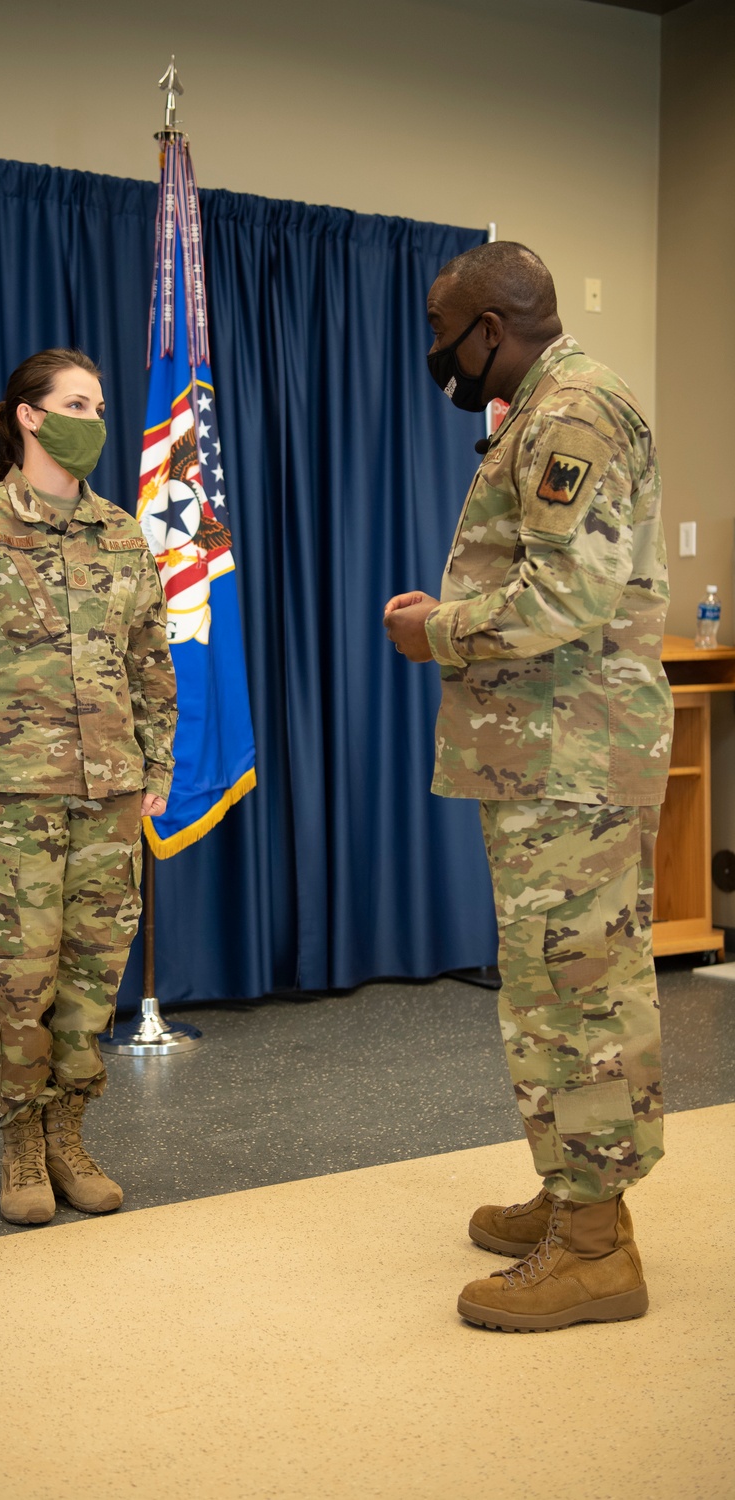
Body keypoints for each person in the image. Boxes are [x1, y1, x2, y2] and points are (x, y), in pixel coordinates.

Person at [385, 242, 672, 1331]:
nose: (439, 353)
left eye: (444, 330)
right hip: (548, 753)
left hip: (572, 757)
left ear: (490, 332)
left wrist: (431, 633)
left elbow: (566, 599)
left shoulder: (573, 413)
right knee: (554, 989)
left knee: (579, 995)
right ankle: (574, 1195)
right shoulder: (554, 403)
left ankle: (594, 1250)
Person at [0, 348, 177, 1226]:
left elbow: (150, 663)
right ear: (28, 414)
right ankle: (20, 1141)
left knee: (94, 978)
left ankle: (69, 1132)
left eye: (99, 407)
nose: (92, 421)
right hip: (9, 801)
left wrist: (157, 766)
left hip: (111, 797)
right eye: (76, 404)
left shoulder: (122, 533)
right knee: (21, 983)